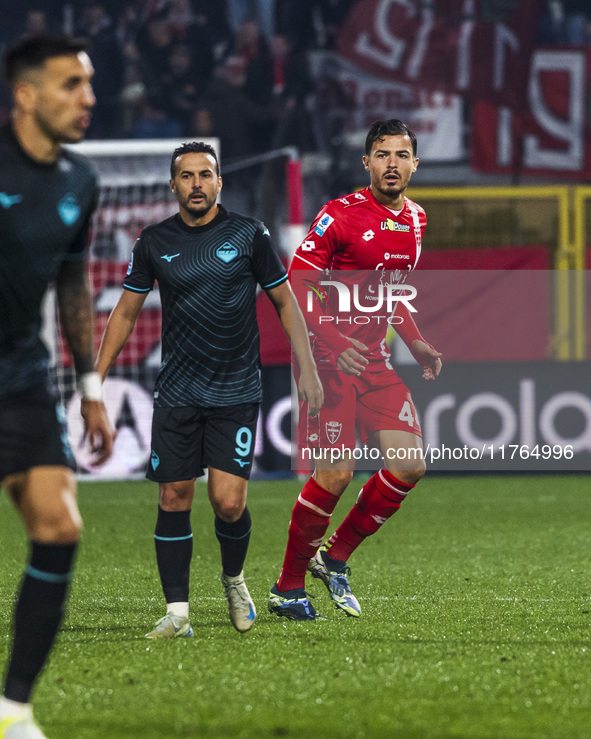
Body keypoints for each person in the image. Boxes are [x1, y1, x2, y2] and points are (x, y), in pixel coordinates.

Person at [95, 141, 323, 638]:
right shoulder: (153, 241)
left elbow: (285, 302)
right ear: (172, 185)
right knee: (173, 495)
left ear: (220, 182)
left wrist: (306, 367)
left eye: (205, 174)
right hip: (177, 390)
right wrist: (98, 376)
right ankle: (178, 613)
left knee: (229, 503)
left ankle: (234, 579)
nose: (196, 183)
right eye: (186, 175)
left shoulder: (248, 234)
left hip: (236, 389)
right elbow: (127, 311)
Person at [268, 119, 442, 621]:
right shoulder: (339, 216)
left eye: (401, 154)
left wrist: (418, 342)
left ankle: (335, 558)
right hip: (328, 363)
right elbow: (298, 285)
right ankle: (287, 589)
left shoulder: (416, 220)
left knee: (409, 464)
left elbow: (391, 294)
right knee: (336, 473)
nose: (392, 163)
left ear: (414, 163)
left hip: (374, 363)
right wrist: (335, 341)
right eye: (382, 154)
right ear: (366, 162)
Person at [0, 35, 115, 739]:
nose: (88, 98)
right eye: (71, 84)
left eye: (89, 83)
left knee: (60, 527)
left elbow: (72, 280)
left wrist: (91, 383)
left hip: (19, 375)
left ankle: (13, 711)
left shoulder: (82, 181)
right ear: (26, 95)